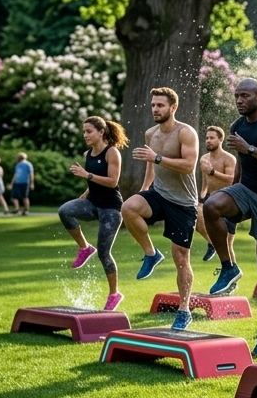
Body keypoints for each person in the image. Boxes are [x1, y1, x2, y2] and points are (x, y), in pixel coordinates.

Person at [200, 79, 257, 355]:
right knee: (211, 206)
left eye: (244, 96)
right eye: (236, 96)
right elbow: (240, 164)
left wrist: (250, 148)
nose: (239, 100)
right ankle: (229, 267)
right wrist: (232, 195)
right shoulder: (237, 126)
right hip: (245, 190)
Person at [121, 87, 200, 331]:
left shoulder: (186, 133)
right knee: (129, 207)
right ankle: (151, 254)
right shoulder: (150, 133)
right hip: (159, 193)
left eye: (160, 105)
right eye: (153, 105)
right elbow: (149, 163)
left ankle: (184, 310)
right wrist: (144, 190)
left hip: (183, 202)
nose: (155, 109)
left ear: (172, 107)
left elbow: (188, 166)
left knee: (180, 258)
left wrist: (157, 158)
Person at [59, 117, 128, 310]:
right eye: (84, 132)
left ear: (101, 132)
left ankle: (114, 294)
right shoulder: (88, 154)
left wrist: (86, 175)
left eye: (89, 131)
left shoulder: (112, 152)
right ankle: (84, 248)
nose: (85, 135)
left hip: (111, 208)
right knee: (65, 210)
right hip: (92, 203)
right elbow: (93, 183)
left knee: (104, 253)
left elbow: (112, 182)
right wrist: (84, 194)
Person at [196, 126, 237, 263]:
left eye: (212, 138)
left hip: (228, 201)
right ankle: (211, 243)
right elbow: (205, 177)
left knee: (227, 243)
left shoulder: (229, 159)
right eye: (207, 138)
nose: (208, 141)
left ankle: (233, 274)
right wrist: (203, 193)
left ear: (220, 139)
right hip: (210, 197)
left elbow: (232, 179)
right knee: (195, 217)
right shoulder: (204, 158)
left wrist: (213, 171)